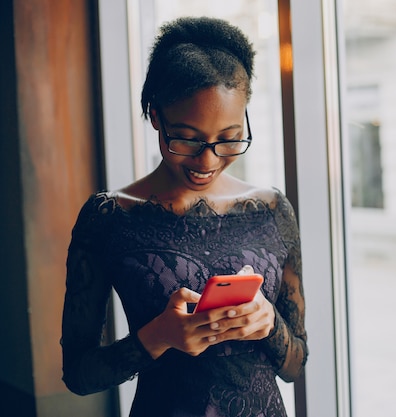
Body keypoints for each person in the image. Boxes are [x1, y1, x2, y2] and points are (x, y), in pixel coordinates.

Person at [61, 16, 307, 417]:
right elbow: (79, 374)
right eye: (187, 138)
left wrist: (269, 323)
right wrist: (156, 337)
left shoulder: (271, 210)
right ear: (155, 116)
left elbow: (295, 365)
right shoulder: (108, 217)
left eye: (228, 138)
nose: (207, 160)